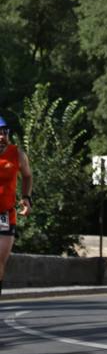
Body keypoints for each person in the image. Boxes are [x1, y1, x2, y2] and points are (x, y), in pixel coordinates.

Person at [0, 116, 32, 295]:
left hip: (5, 215)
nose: (1, 137)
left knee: (0, 261)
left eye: (4, 133)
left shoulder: (17, 154)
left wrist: (26, 197)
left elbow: (27, 176)